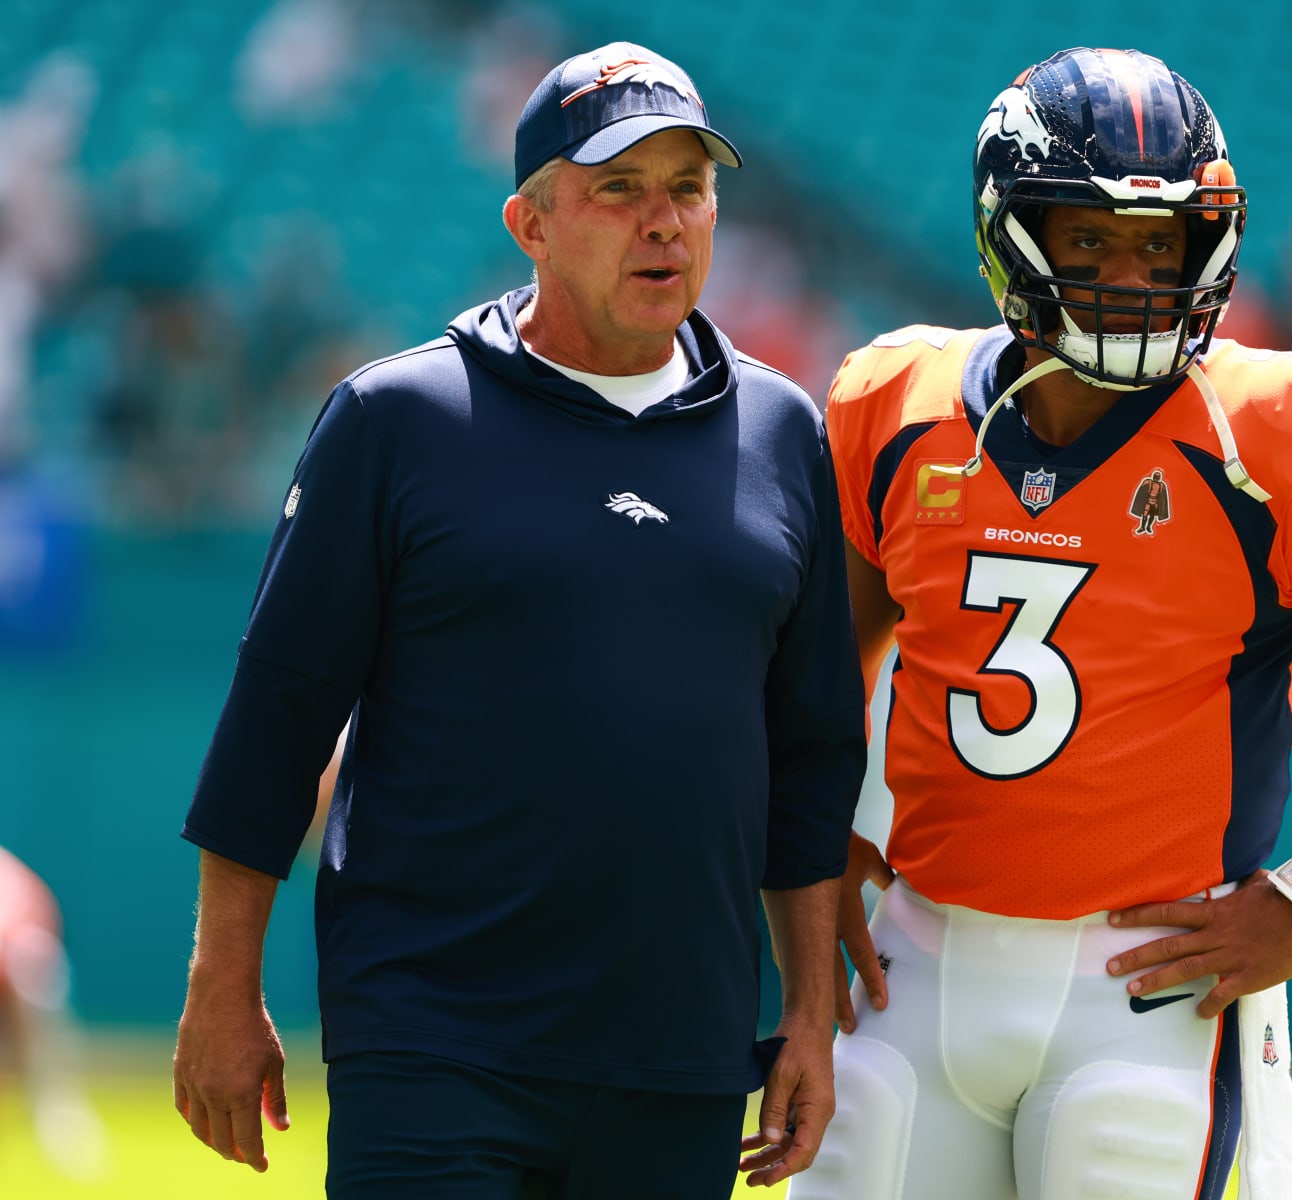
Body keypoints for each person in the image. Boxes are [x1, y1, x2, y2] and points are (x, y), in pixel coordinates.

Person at [782, 47, 1292, 1200]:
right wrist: (825, 843)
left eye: (1162, 243)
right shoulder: (898, 405)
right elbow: (824, 663)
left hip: (1145, 987)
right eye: (1089, 239)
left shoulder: (1269, 438)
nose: (1133, 274)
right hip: (920, 960)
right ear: (1012, 233)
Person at [170, 42, 865, 1198]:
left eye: (688, 190)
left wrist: (804, 1015)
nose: (664, 224)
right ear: (530, 222)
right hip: (436, 1040)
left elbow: (808, 756)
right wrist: (220, 983)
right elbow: (278, 716)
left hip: (678, 1053)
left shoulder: (783, 433)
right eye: (618, 190)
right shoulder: (399, 419)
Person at [0, 844, 107, 1180]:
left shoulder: (9, 874)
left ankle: (57, 1108)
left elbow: (34, 920)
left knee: (32, 956)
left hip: (16, 992)